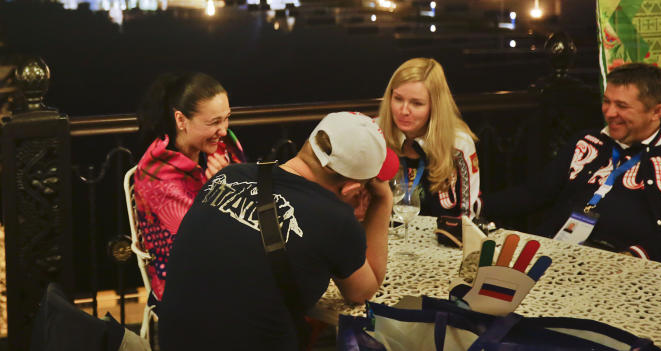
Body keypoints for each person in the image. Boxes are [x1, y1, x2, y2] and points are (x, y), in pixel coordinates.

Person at [159, 112, 398, 350]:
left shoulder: (228, 175)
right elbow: (363, 292)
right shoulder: (336, 219)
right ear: (350, 189)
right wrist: (383, 199)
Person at [484, 62, 661, 265]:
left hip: (628, 267)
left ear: (657, 112)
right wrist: (475, 206)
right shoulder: (586, 142)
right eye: (606, 101)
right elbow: (534, 193)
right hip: (558, 253)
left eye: (621, 106)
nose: (609, 112)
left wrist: (634, 256)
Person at [132, 72, 244, 302]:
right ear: (181, 120)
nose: (224, 130)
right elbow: (203, 245)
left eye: (227, 118)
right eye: (214, 122)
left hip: (233, 266)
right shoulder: (158, 176)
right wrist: (221, 189)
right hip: (186, 289)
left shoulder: (221, 147)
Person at [377, 57, 481, 218]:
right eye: (398, 99)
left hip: (441, 239)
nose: (404, 110)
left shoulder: (459, 144)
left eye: (416, 103)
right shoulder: (374, 134)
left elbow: (467, 217)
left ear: (435, 107)